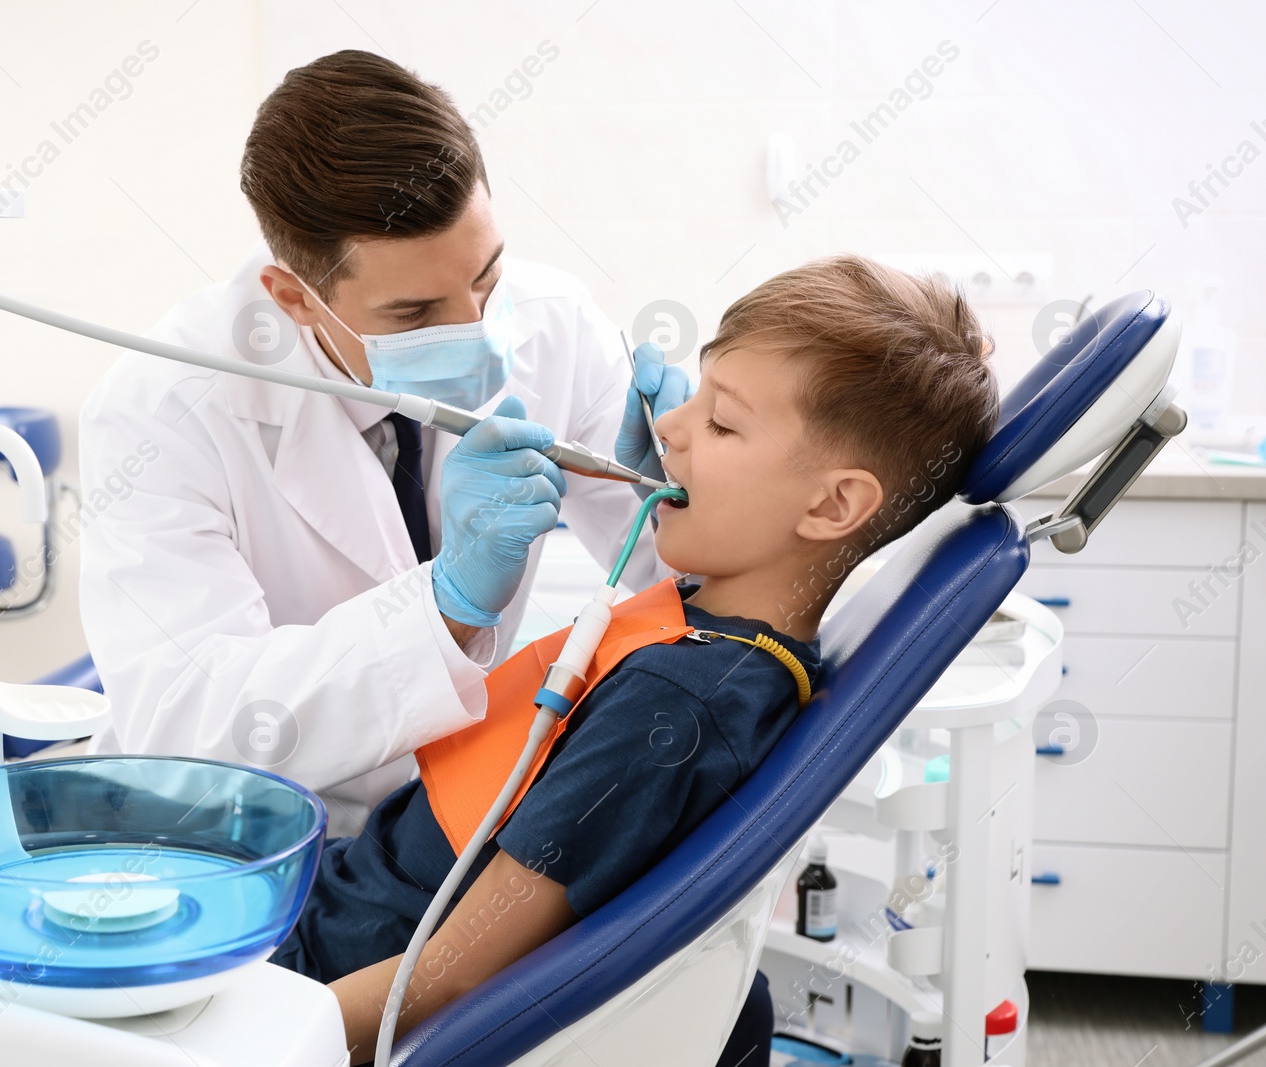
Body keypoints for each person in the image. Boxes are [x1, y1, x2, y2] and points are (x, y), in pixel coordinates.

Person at [267, 255, 999, 1065]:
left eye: (720, 423)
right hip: (335, 901)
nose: (671, 428)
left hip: (321, 977)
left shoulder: (675, 706)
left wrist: (253, 1042)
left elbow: (443, 982)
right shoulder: (716, 647)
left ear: (833, 504)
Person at [74, 48, 675, 836]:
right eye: (416, 314)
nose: (481, 332)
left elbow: (684, 580)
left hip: (451, 808)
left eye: (487, 277)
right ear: (294, 298)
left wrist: (686, 489)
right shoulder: (163, 409)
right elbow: (188, 723)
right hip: (242, 834)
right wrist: (445, 609)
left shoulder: (557, 324)